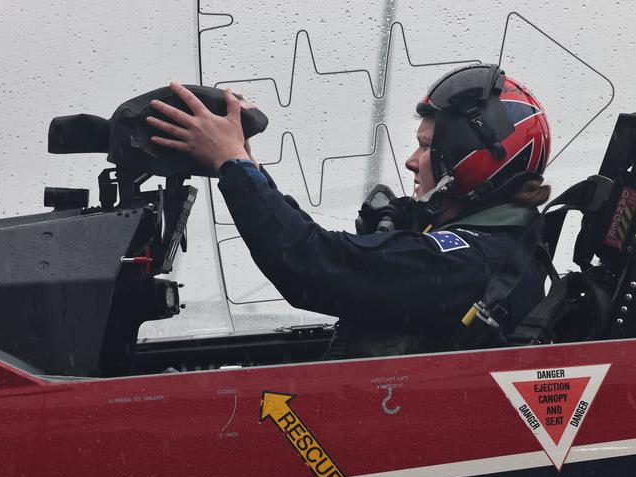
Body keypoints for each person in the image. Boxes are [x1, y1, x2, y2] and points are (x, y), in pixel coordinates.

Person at [146, 63, 551, 358]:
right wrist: (246, 167)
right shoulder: (500, 251)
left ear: (470, 159)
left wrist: (233, 166)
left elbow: (310, 262)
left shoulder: (468, 262)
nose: (412, 161)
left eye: (426, 146)